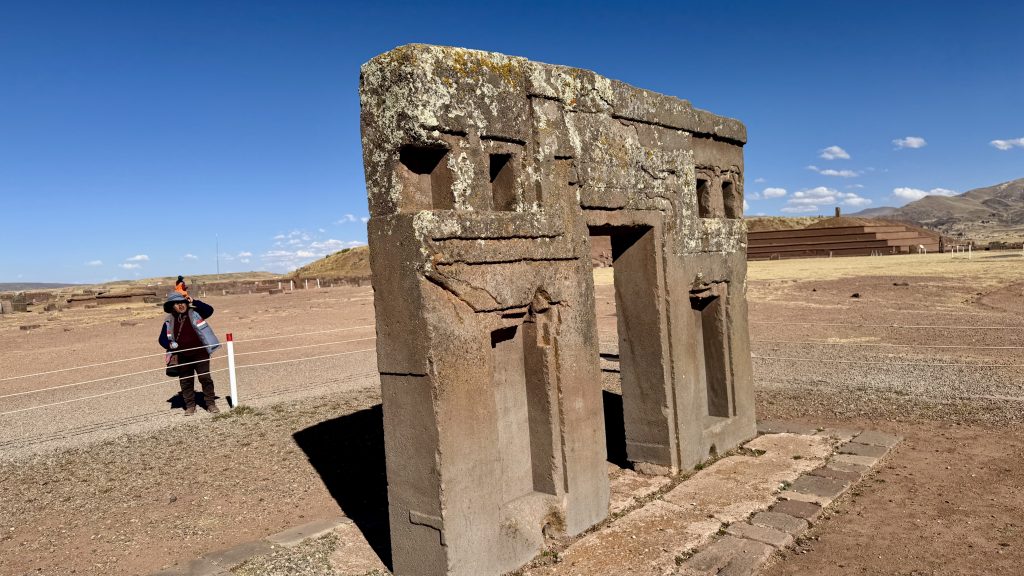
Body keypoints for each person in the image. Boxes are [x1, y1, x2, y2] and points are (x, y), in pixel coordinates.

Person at [158, 285, 221, 415]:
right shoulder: (169, 320)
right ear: (172, 307)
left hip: (200, 353)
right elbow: (162, 339)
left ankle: (210, 404)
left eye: (182, 302)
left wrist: (194, 301)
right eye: (176, 303)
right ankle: (190, 406)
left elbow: (209, 310)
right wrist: (170, 344)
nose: (180, 305)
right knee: (186, 381)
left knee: (205, 378)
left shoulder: (196, 313)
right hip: (181, 356)